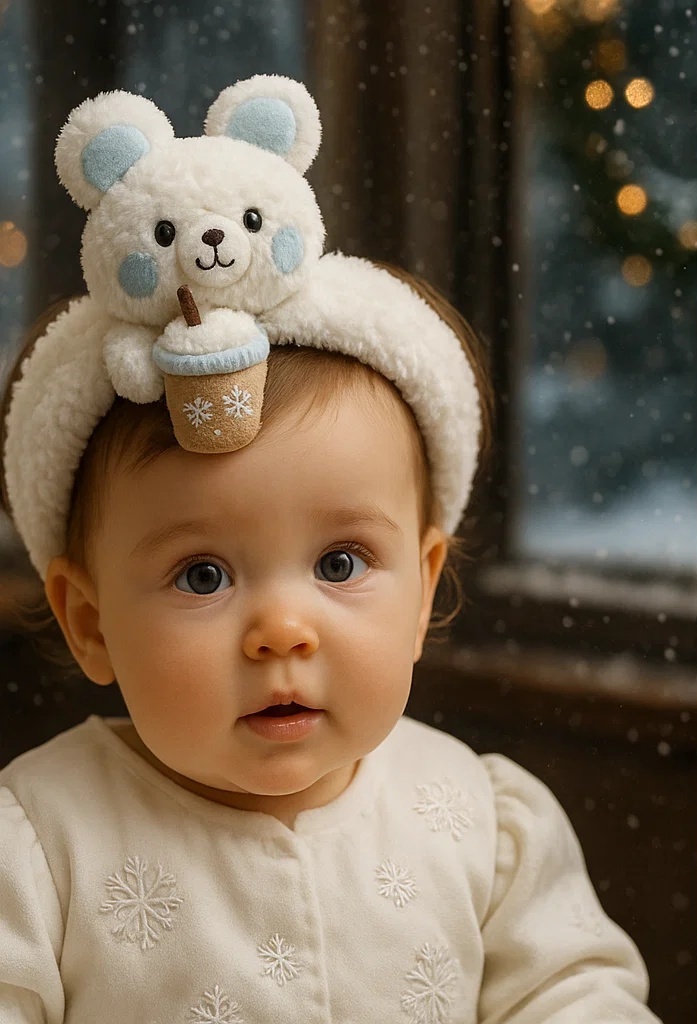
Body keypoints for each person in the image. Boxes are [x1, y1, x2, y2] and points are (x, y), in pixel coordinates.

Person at [0, 261, 661, 1024]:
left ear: (423, 591)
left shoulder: (483, 824)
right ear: (91, 624)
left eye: (338, 563)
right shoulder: (40, 849)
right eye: (203, 576)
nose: (282, 630)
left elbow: (577, 998)